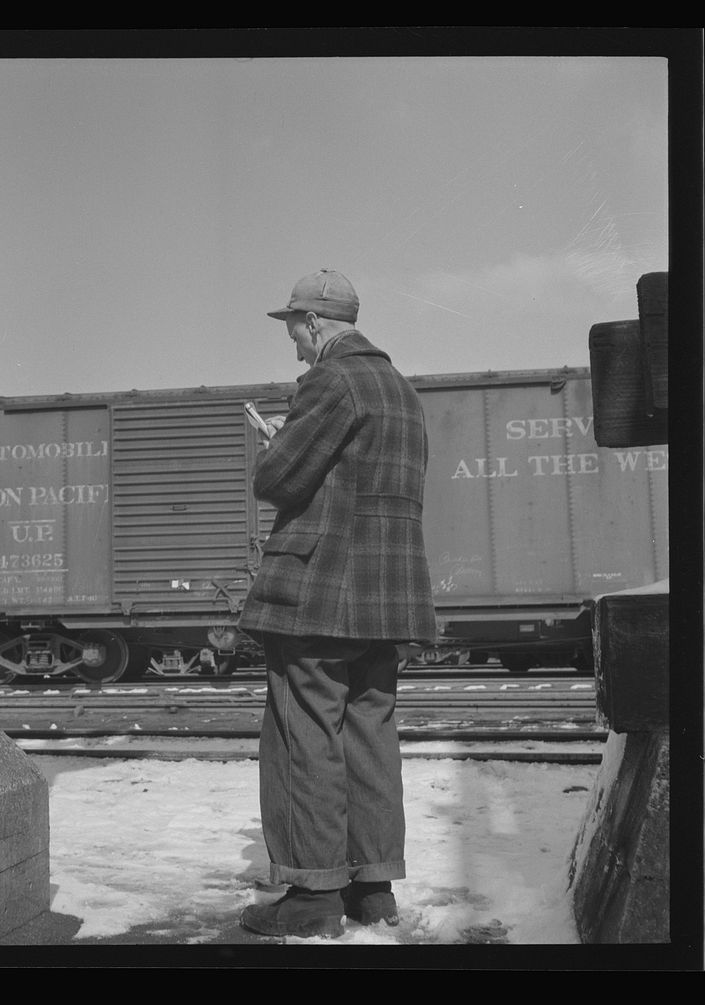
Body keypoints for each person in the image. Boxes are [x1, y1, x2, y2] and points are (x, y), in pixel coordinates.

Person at [238, 269, 437, 939]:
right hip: (387, 600)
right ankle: (372, 887)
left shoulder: (330, 380)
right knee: (370, 733)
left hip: (321, 595)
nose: (293, 342)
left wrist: (276, 445)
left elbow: (278, 479)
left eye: (292, 327)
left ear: (315, 322)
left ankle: (313, 897)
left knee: (305, 736)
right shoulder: (402, 391)